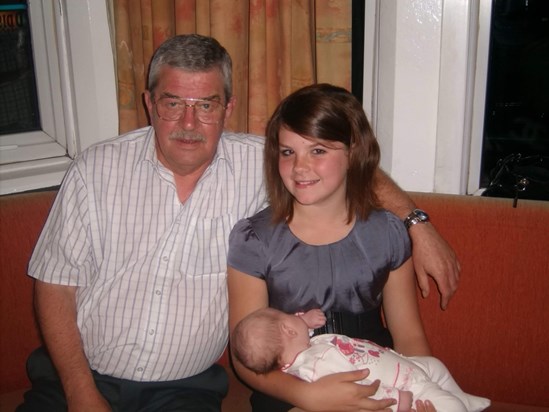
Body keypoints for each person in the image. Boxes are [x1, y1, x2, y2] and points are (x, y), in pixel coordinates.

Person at [19, 33, 457, 412]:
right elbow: (55, 283)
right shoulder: (95, 170)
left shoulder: (260, 163)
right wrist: (80, 392)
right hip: (77, 377)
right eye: (173, 103)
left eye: (206, 105)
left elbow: (344, 165)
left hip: (183, 390)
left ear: (227, 108)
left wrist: (416, 223)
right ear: (150, 103)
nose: (189, 123)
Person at [227, 83, 447, 412]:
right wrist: (307, 396)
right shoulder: (255, 240)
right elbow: (244, 355)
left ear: (353, 152)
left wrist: (423, 392)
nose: (299, 167)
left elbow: (409, 337)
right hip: (291, 388)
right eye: (288, 152)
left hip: (375, 377)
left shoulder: (386, 233)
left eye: (318, 150)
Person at [232, 308, 491, 412]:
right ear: (288, 331)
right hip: (406, 387)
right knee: (448, 406)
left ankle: (465, 400)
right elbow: (359, 391)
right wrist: (399, 402)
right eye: (288, 316)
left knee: (435, 366)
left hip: (407, 364)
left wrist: (306, 321)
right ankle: (459, 406)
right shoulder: (319, 366)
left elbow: (300, 331)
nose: (293, 315)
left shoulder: (303, 350)